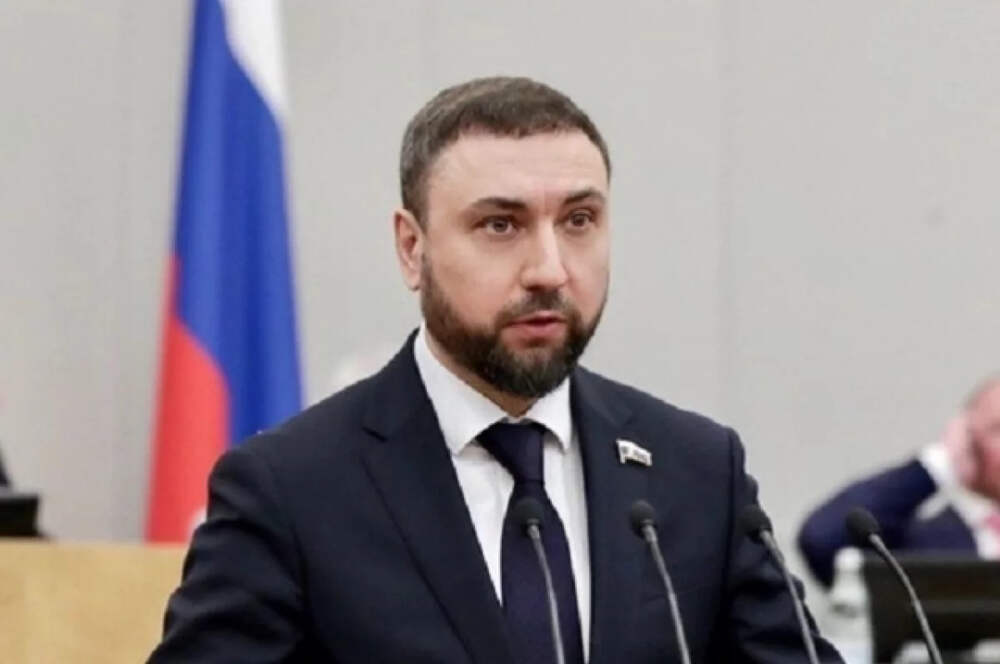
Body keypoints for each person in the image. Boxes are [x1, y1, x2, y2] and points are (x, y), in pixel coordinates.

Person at [150, 77, 842, 663]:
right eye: (501, 226)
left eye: (578, 220)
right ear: (412, 248)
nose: (549, 270)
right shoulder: (292, 490)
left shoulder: (696, 471)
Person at [798, 375, 1000, 587]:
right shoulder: (918, 544)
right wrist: (942, 461)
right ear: (966, 439)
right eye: (997, 429)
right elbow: (822, 538)